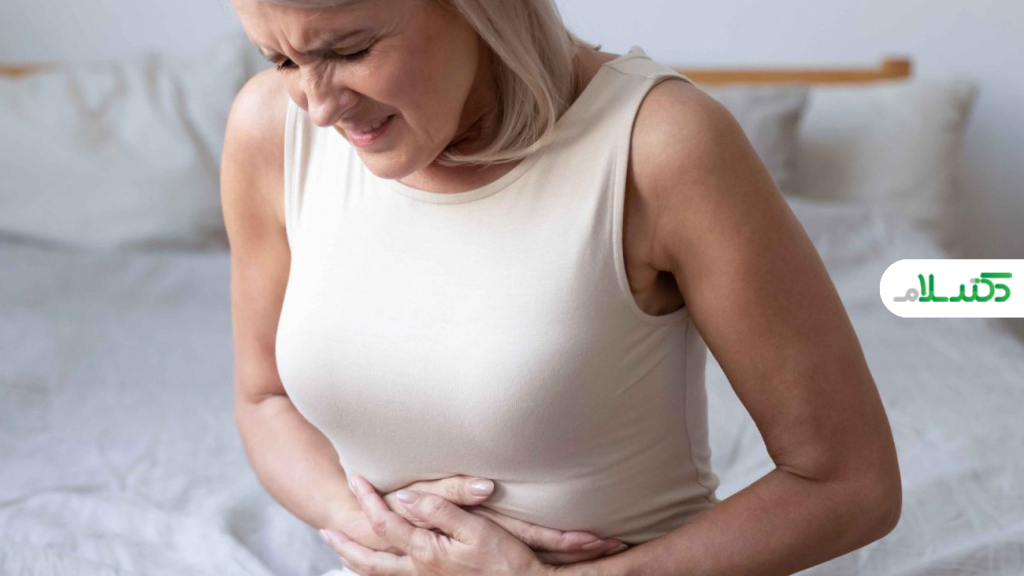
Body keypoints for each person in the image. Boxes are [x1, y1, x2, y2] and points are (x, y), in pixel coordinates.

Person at [220, 0, 903, 574]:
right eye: (281, 60)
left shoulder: (660, 144)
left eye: (350, 51)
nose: (317, 106)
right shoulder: (270, 131)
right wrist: (384, 532)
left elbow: (850, 483)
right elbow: (263, 398)